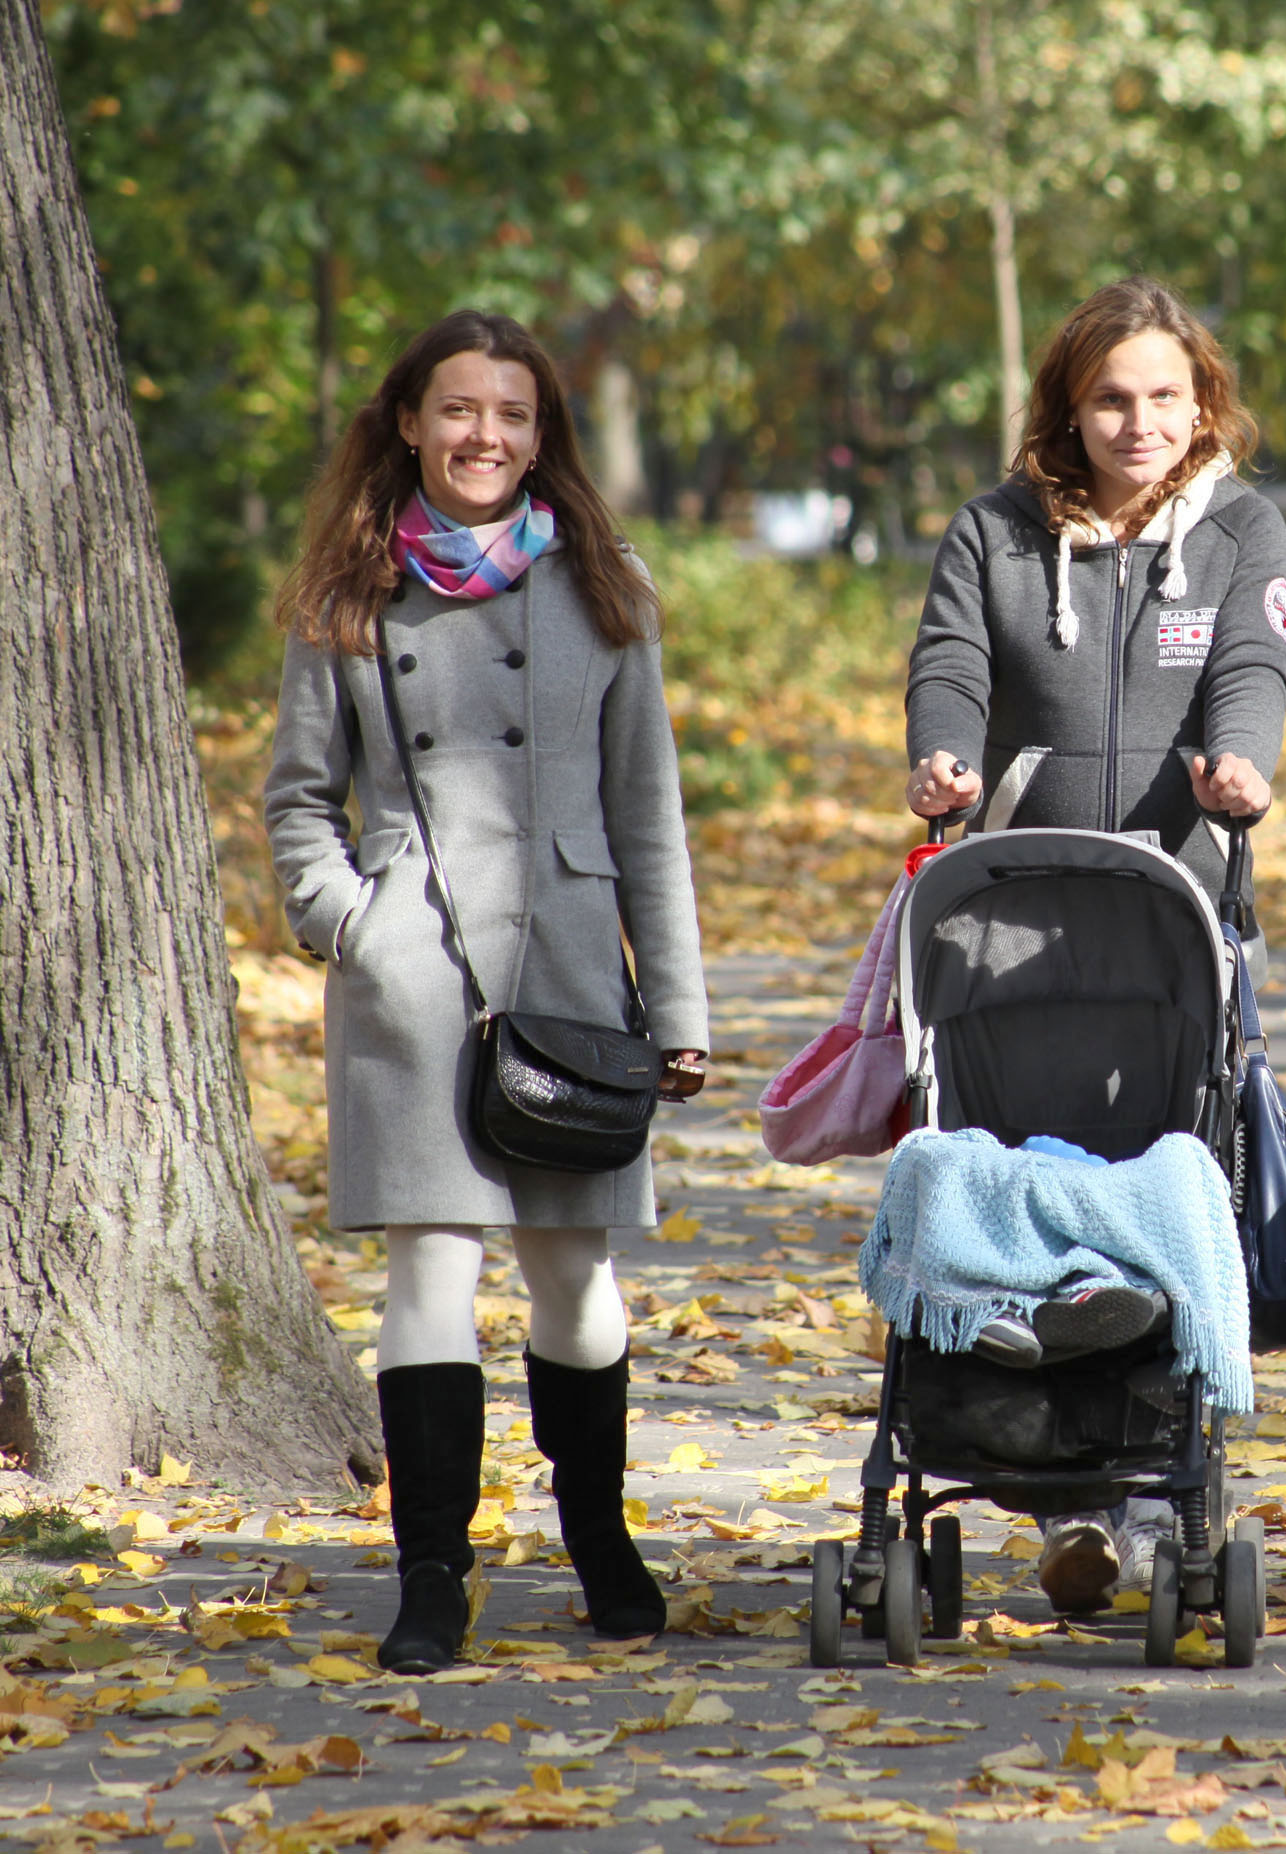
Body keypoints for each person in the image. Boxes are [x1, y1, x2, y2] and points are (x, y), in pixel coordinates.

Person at [266, 310, 709, 1676]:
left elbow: (651, 813)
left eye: (512, 416)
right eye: (459, 411)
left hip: (572, 965)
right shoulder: (349, 589)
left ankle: (599, 1538)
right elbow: (296, 799)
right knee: (433, 1264)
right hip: (415, 975)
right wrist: (358, 924)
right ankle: (432, 1574)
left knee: (575, 1274)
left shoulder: (605, 584)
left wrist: (679, 1006)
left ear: (543, 434)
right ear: (410, 421)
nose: (485, 438)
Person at [900, 274, 1286, 1613]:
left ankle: (1136, 1495)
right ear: (1070, 407)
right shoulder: (995, 532)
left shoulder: (1240, 529)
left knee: (1169, 1177)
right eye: (1112, 397)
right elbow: (949, 657)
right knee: (1018, 1170)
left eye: (1165, 397)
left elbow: (1255, 663)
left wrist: (1244, 761)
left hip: (1178, 918)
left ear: (1202, 405)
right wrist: (942, 753)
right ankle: (1034, 1473)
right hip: (1014, 928)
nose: (1140, 421)